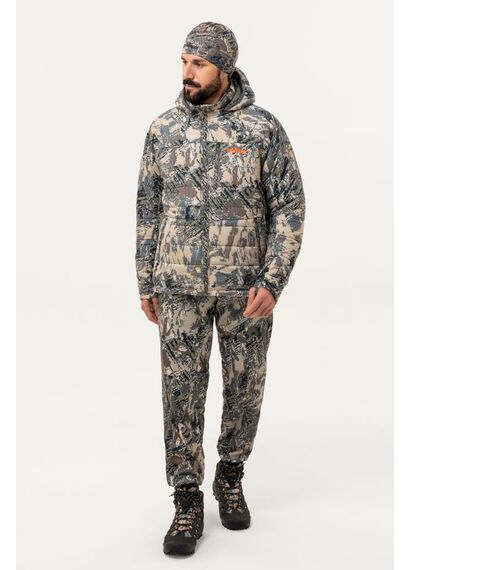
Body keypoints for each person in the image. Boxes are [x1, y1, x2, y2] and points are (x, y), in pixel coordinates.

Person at [135, 21, 306, 556]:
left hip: (245, 291)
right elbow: (147, 208)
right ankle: (186, 498)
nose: (187, 73)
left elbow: (290, 206)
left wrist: (274, 279)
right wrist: (146, 279)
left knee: (244, 385)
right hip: (178, 286)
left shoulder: (261, 129)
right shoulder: (163, 130)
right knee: (180, 391)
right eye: (184, 62)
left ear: (225, 69)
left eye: (199, 64)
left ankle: (230, 475)